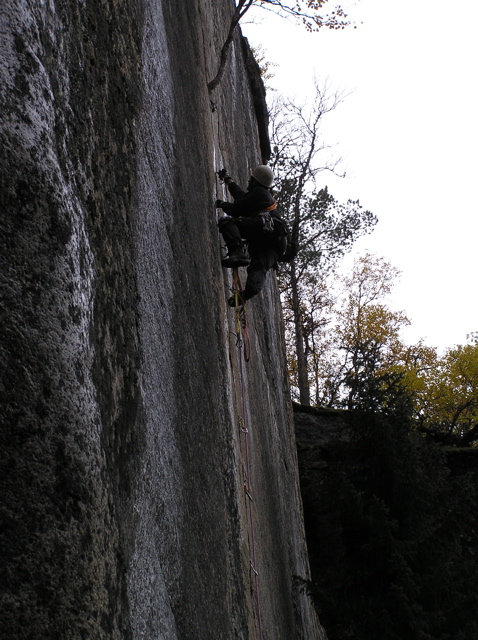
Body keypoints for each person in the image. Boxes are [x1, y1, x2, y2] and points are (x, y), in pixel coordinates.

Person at [215, 165, 287, 306]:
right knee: (258, 266)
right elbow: (242, 197)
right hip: (277, 244)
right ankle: (250, 290)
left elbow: (237, 208)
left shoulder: (259, 192)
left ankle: (237, 253)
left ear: (255, 180)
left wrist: (222, 204)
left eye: (251, 179)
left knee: (228, 223)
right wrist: (228, 180)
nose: (249, 181)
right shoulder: (262, 196)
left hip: (266, 228)